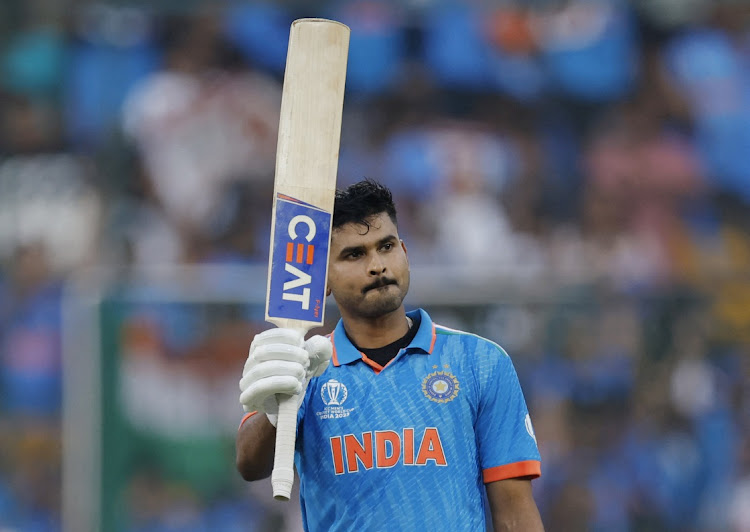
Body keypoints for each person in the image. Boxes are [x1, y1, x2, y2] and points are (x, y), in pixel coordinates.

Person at [237, 179, 544, 531]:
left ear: (405, 253)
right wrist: (277, 408)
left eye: (386, 247)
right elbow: (249, 464)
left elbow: (516, 514)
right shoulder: (306, 368)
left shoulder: (482, 362)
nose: (377, 265)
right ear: (322, 280)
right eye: (354, 254)